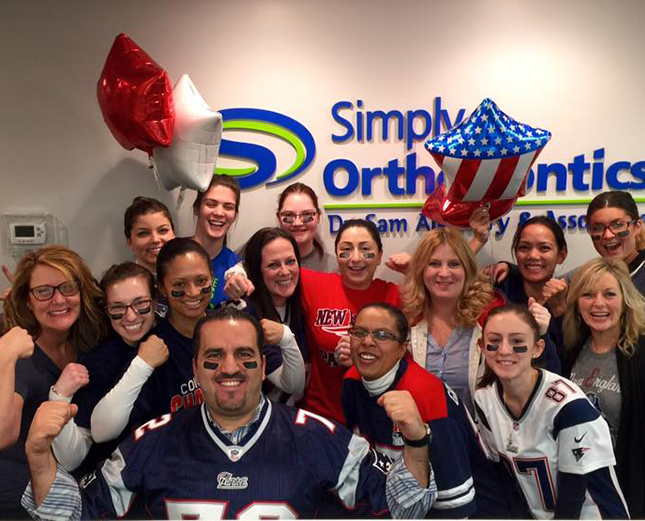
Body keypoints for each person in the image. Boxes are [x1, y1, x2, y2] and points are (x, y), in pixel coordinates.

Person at [22, 308, 436, 519]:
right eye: (214, 357)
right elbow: (74, 515)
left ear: (263, 361)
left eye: (244, 355)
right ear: (196, 367)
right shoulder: (150, 443)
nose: (231, 368)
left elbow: (403, 508)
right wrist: (41, 463)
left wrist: (416, 444)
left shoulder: (319, 437)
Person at [342, 302, 522, 519]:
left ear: (402, 349)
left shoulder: (427, 397)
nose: (367, 342)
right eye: (359, 332)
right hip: (406, 503)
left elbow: (456, 506)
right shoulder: (351, 382)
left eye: (382, 335)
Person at [474, 304, 629, 519]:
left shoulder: (569, 407)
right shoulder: (484, 401)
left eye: (517, 341)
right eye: (494, 341)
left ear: (537, 348)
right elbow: (504, 482)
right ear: (481, 346)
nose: (504, 350)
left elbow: (574, 494)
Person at [0, 245, 107, 518]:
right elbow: (2, 434)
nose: (58, 299)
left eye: (68, 287)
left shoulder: (89, 343)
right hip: (21, 499)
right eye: (44, 291)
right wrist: (5, 355)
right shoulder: (23, 357)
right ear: (28, 300)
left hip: (74, 488)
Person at [47, 263, 168, 473]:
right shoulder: (100, 362)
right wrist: (59, 397)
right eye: (117, 309)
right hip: (118, 478)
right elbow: (74, 456)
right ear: (107, 310)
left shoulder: (172, 335)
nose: (130, 316)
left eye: (140, 304)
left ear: (155, 300)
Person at [562, 258, 645, 518]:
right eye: (587, 295)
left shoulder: (641, 353)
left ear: (625, 300)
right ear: (577, 304)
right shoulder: (570, 351)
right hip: (584, 491)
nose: (598, 303)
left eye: (609, 294)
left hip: (631, 489)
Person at [298, 218, 400, 424]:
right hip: (321, 417)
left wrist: (364, 357)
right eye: (346, 249)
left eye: (365, 249)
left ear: (380, 256)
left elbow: (446, 282)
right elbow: (270, 266)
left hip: (375, 417)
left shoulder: (393, 294)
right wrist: (237, 275)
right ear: (337, 256)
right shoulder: (313, 285)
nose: (355, 258)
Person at [401, 228, 504, 414]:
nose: (444, 273)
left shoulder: (491, 320)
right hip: (421, 438)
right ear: (421, 270)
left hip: (477, 439)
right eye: (434, 263)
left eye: (454, 264)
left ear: (468, 269)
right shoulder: (406, 322)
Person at [242, 227, 306, 402]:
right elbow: (293, 385)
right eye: (273, 264)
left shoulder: (301, 299)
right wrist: (286, 338)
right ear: (258, 271)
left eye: (290, 261)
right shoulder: (247, 316)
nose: (285, 271)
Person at [495, 216, 568, 363]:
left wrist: (560, 311)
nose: (533, 255)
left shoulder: (577, 299)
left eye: (544, 248)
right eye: (524, 247)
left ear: (561, 255)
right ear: (516, 253)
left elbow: (571, 363)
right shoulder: (500, 293)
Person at [192, 174, 244, 307]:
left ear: (235, 215)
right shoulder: (173, 253)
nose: (219, 213)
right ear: (197, 208)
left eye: (228, 207)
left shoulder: (237, 269)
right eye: (211, 204)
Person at [584, 190, 645, 294]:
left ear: (638, 226)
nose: (608, 235)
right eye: (598, 227)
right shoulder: (584, 279)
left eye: (618, 225)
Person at [276, 182, 336, 272]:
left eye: (307, 215)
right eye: (288, 215)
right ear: (279, 218)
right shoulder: (262, 266)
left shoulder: (334, 267)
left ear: (318, 217)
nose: (297, 223)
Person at [123, 196, 176, 275]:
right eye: (143, 233)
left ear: (174, 233)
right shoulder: (121, 285)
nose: (155, 239)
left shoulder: (194, 273)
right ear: (130, 242)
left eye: (163, 230)